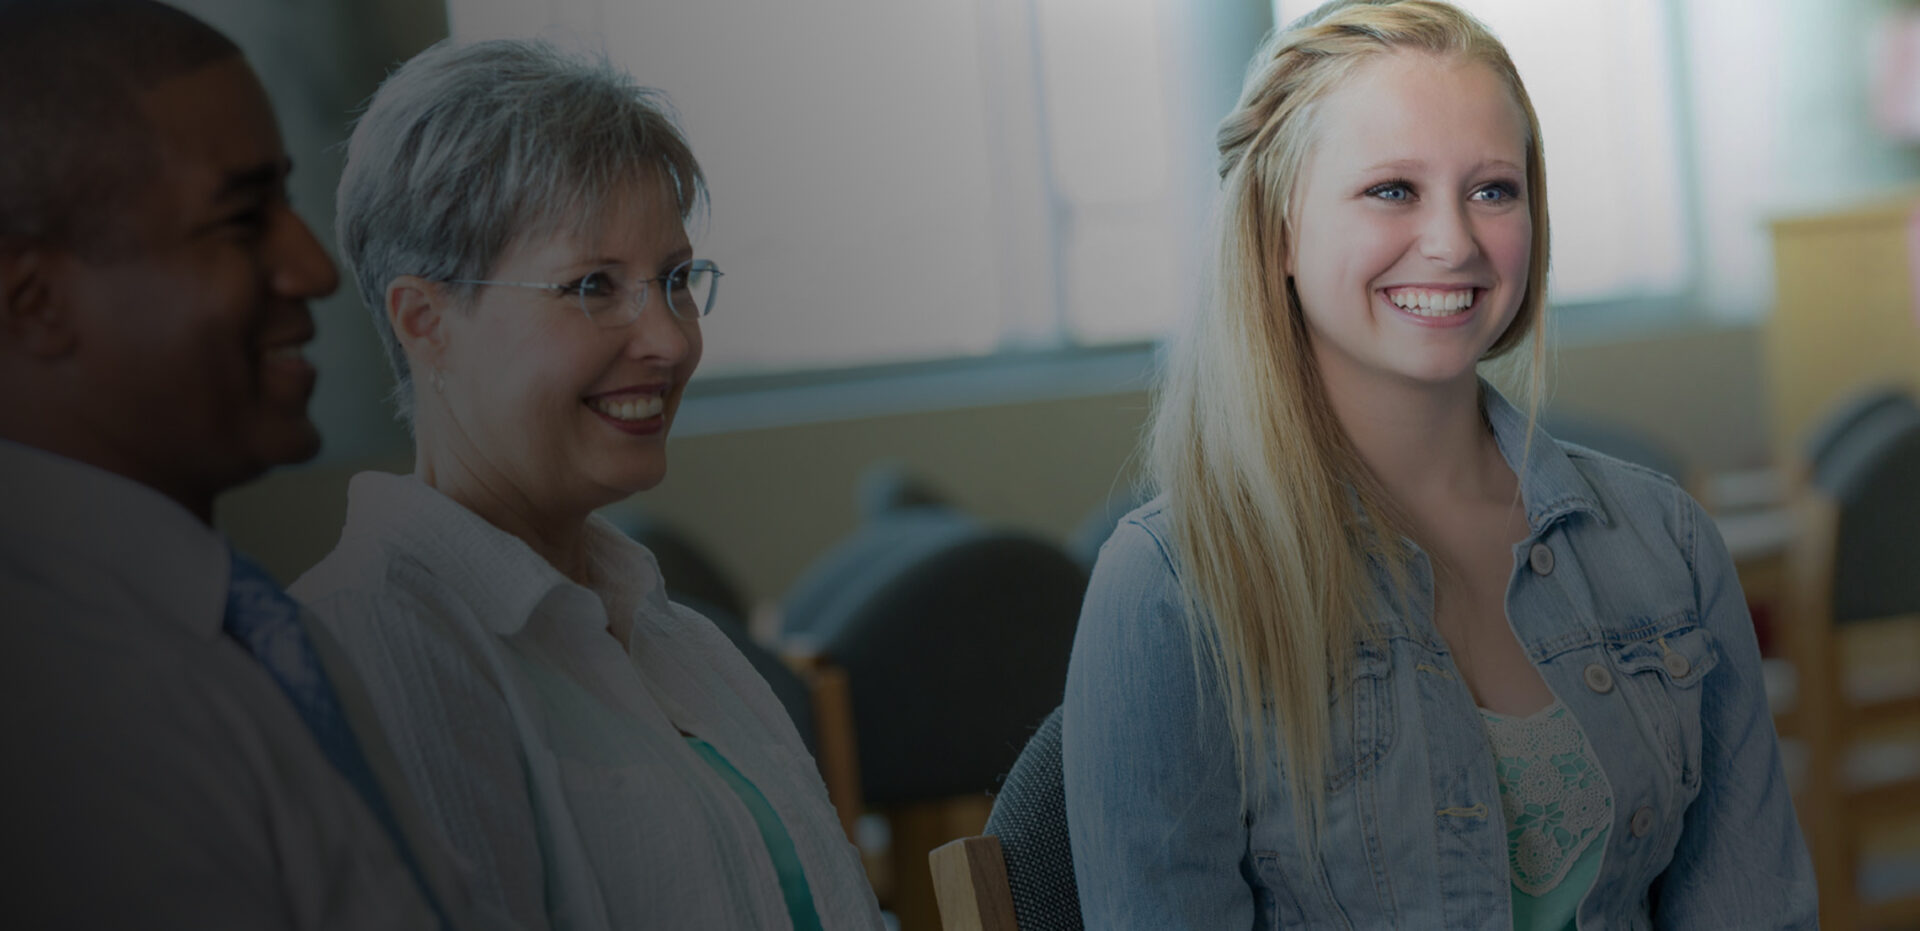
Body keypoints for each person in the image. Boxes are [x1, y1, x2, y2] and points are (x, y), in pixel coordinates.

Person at [1062, 1, 1816, 928]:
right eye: (1392, 190)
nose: (1454, 242)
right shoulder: (1170, 587)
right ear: (1279, 231)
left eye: (1493, 190)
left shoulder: (1670, 544)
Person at [292, 38, 885, 930]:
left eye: (676, 280)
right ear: (425, 322)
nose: (672, 339)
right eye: (594, 286)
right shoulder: (377, 640)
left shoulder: (665, 629)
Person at [0, 1, 485, 927]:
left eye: (288, 205)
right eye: (240, 221)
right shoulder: (57, 708)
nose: (311, 268)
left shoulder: (240, 622)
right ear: (34, 301)